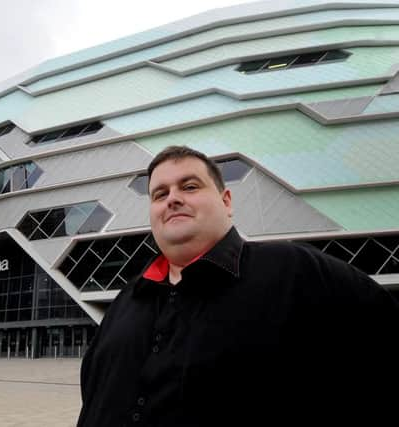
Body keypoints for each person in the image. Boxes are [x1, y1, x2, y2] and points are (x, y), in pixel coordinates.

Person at [77, 145, 399, 426]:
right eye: (160, 194)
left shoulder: (293, 271)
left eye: (189, 186)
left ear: (226, 201)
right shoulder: (125, 301)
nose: (173, 198)